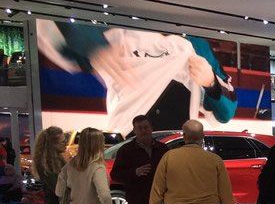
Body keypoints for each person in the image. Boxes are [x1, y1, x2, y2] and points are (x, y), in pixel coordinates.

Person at [35, 21, 237, 138]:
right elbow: (51, 27)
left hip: (177, 147)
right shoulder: (113, 27)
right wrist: (90, 45)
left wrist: (211, 82)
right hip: (127, 138)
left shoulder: (197, 46)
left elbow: (226, 112)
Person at [150, 119, 235, 204]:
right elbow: (226, 194)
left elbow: (157, 189)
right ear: (202, 137)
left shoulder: (169, 157)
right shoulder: (215, 160)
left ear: (184, 136)